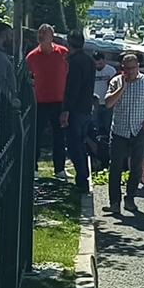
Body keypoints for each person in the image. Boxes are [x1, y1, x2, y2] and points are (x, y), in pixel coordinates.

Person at [104, 53, 144, 214]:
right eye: (127, 69)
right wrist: (122, 87)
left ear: (138, 66)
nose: (130, 72)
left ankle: (130, 199)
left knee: (136, 167)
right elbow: (108, 103)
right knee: (115, 167)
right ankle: (114, 202)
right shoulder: (116, 81)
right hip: (120, 130)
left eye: (133, 68)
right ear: (123, 68)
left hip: (139, 130)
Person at [27, 24, 70, 180]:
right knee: (36, 137)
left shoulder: (63, 53)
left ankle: (59, 169)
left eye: (45, 32)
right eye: (39, 32)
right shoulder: (32, 57)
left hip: (59, 102)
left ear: (52, 36)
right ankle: (34, 168)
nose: (41, 35)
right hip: (40, 102)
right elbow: (28, 79)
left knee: (59, 136)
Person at [60, 30, 96, 190]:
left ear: (69, 44)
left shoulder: (76, 62)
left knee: (74, 144)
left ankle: (81, 178)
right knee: (81, 143)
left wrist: (66, 109)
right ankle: (84, 175)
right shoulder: (89, 60)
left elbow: (72, 88)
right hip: (86, 108)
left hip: (76, 109)